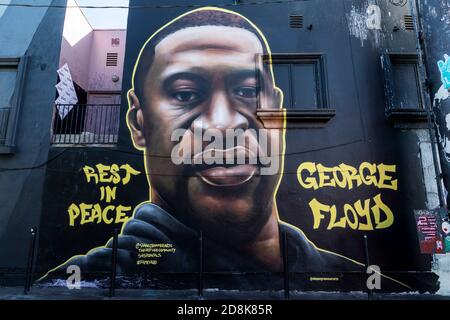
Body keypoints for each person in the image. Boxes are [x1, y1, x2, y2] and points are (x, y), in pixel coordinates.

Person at [41, 7, 411, 291]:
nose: (223, 123)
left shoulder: (351, 279)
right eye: (185, 94)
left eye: (248, 92)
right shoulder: (89, 280)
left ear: (278, 114)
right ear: (138, 122)